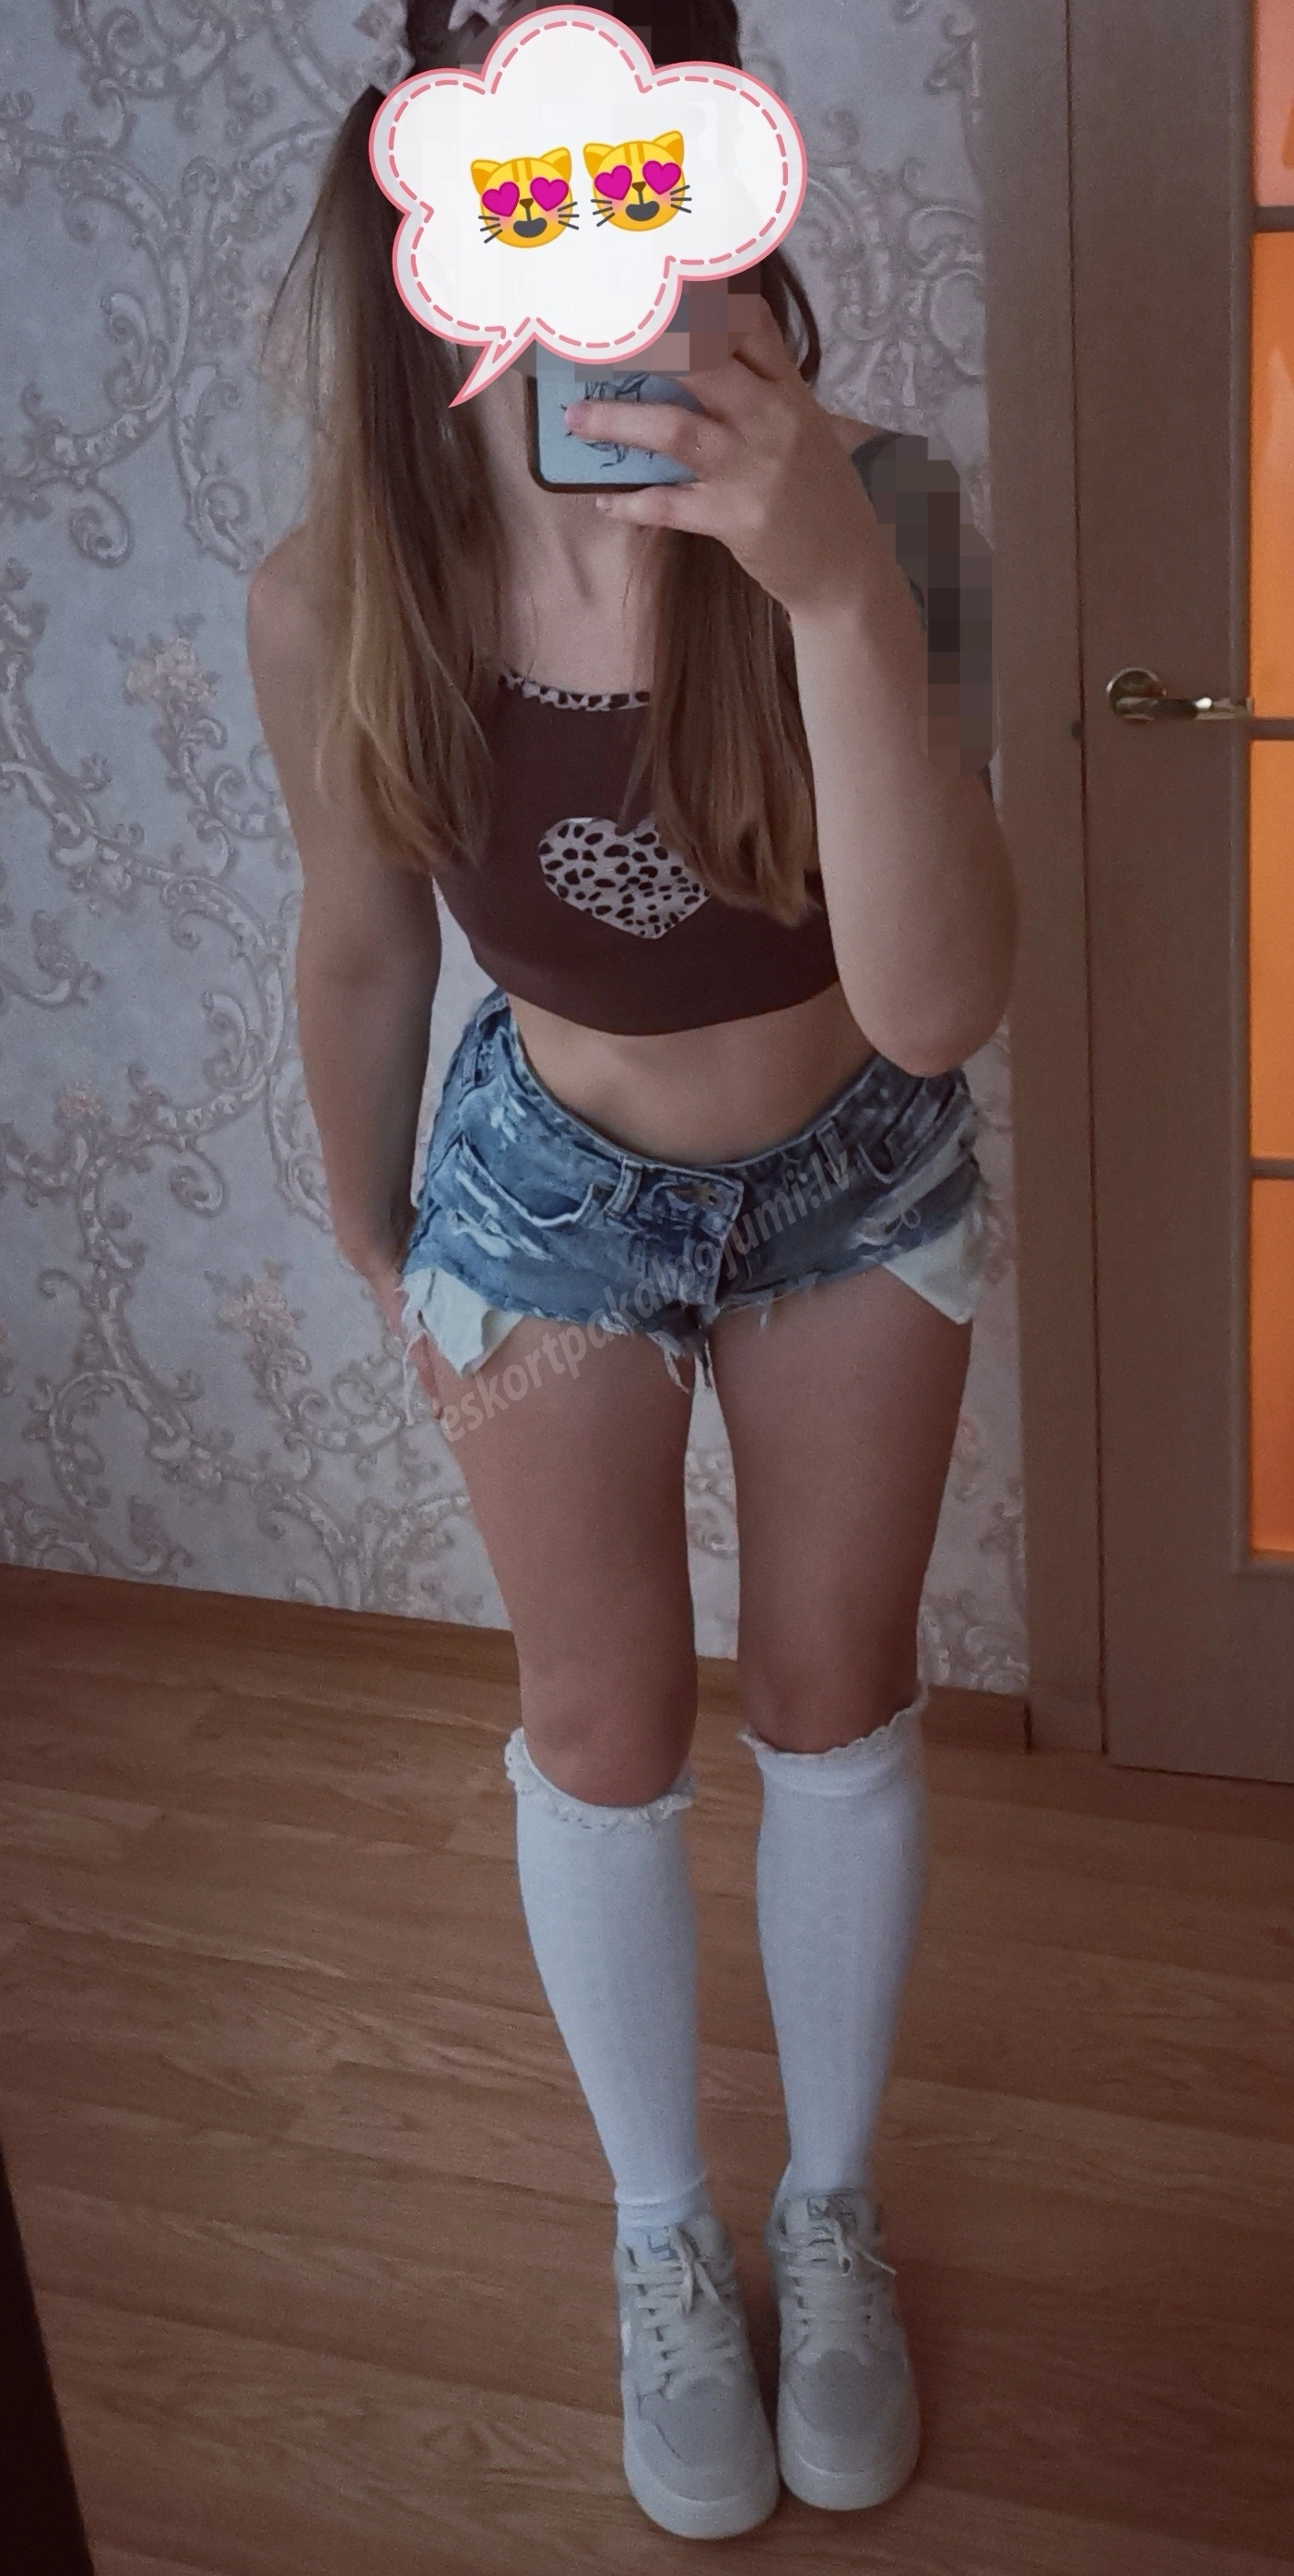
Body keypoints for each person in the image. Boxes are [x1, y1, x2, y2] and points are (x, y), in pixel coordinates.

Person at [247, 0, 1017, 2543]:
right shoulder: (341, 593)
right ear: (425, 214)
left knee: (833, 1688)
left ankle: (829, 2216)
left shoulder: (887, 511)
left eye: (648, 187)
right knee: (594, 1720)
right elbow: (362, 939)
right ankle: (664, 2234)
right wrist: (379, 1228)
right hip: (543, 1187)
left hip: (855, 1163)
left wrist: (828, 585)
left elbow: (937, 1000)